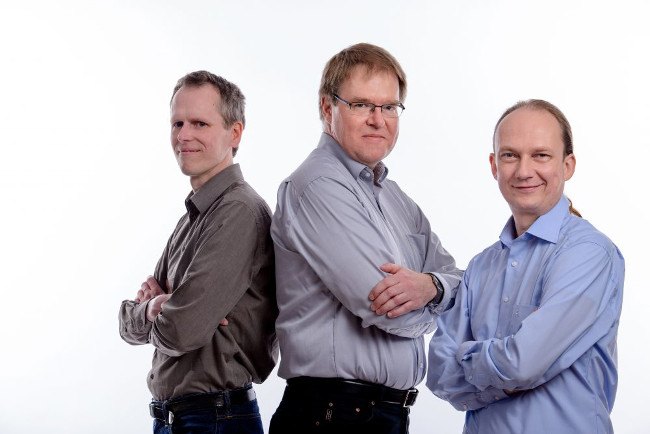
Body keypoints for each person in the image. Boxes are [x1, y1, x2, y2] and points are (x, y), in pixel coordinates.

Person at [269, 43, 463, 434]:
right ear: (328, 108)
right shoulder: (318, 186)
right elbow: (387, 309)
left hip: (377, 415)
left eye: (389, 107)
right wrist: (440, 298)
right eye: (361, 105)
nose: (379, 120)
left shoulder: (394, 198)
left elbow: (454, 280)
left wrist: (430, 285)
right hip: (332, 414)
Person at [427, 99, 625, 433]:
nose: (523, 171)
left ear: (568, 165)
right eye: (510, 155)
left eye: (541, 155)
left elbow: (523, 363)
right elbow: (438, 372)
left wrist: (472, 358)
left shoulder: (589, 254)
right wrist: (506, 367)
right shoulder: (480, 266)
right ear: (494, 165)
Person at [118, 70, 278, 434]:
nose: (183, 136)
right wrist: (156, 307)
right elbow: (128, 322)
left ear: (234, 133)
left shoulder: (238, 211)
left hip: (214, 418)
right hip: (178, 418)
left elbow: (181, 331)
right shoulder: (192, 217)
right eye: (177, 123)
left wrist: (167, 311)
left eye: (200, 123)